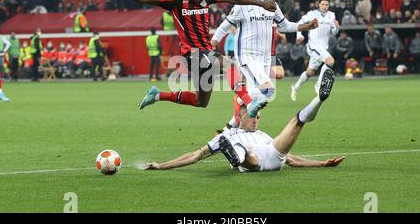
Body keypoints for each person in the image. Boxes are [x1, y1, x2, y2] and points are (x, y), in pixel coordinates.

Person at [104, 0, 280, 118]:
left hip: (206, 53)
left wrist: (261, 4)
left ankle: (157, 95)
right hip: (192, 54)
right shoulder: (176, 0)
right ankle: (249, 104)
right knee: (230, 66)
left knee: (200, 102)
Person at [140, 67, 344, 172]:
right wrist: (161, 165)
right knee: (245, 152)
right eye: (253, 114)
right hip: (252, 162)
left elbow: (291, 159)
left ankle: (319, 98)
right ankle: (238, 157)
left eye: (258, 115)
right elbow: (194, 156)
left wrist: (322, 163)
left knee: (297, 121)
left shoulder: (263, 134)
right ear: (240, 115)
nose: (257, 118)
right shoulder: (228, 134)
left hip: (274, 156)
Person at [210, 0, 318, 129]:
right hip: (247, 55)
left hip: (265, 57)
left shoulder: (272, 5)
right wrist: (213, 43)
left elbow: (284, 26)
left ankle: (231, 128)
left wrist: (304, 26)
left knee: (257, 101)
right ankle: (240, 100)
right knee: (267, 90)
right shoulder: (241, 6)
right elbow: (224, 27)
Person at [291, 0, 339, 102]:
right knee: (330, 61)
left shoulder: (332, 15)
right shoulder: (312, 14)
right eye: (323, 4)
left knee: (310, 72)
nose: (325, 6)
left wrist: (336, 27)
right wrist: (299, 35)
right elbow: (299, 23)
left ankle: (295, 87)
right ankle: (318, 85)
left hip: (323, 47)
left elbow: (334, 33)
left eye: (327, 5)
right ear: (318, 4)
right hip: (313, 46)